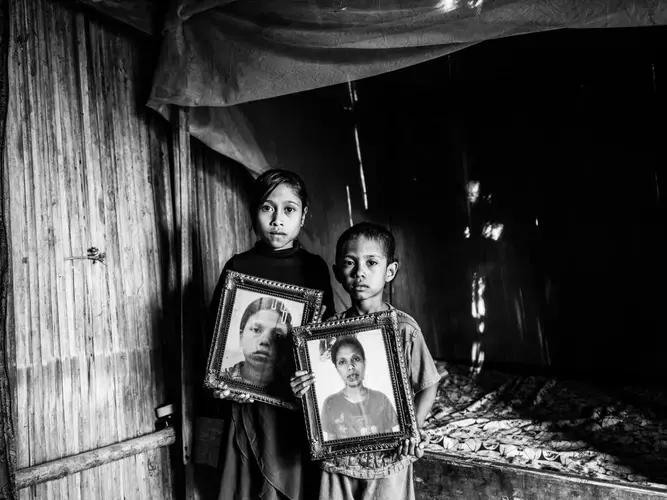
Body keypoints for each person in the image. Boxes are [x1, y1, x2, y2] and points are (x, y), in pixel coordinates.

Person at [204, 169, 335, 500]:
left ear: (303, 217)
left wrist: (311, 375)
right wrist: (223, 382)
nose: (278, 219)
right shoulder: (238, 267)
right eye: (267, 208)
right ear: (253, 213)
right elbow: (217, 337)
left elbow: (323, 337)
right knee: (244, 487)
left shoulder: (313, 269)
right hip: (245, 403)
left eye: (289, 209)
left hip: (291, 407)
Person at [291, 222, 442, 500]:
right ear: (337, 272)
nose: (359, 271)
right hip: (338, 460)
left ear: (390, 271)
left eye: (371, 262)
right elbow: (317, 389)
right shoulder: (327, 332)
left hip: (389, 459)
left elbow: (429, 384)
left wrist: (413, 430)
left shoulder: (404, 329)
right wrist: (304, 386)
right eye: (350, 263)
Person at [321, 335, 399, 441]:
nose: (350, 366)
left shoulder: (381, 399)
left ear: (364, 363)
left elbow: (391, 442)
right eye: (342, 362)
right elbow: (331, 448)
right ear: (337, 368)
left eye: (356, 359)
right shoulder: (330, 404)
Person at [221, 297, 293, 387]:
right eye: (256, 330)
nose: (264, 341)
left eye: (277, 335)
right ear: (241, 336)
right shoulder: (219, 380)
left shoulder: (292, 390)